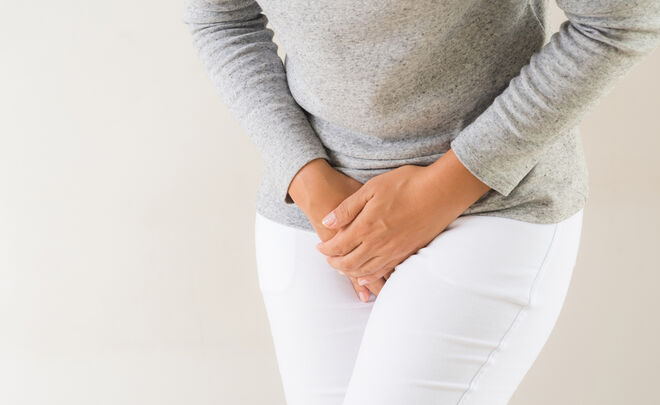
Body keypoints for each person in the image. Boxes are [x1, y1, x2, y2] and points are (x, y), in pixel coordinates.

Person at [183, 1, 660, 404]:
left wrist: (436, 196)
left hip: (487, 200)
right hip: (314, 212)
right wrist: (312, 184)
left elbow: (622, 18)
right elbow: (222, 19)